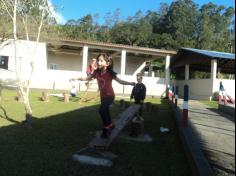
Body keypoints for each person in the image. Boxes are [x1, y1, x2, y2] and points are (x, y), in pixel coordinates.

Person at [70, 53, 135, 138]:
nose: (98, 62)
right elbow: (87, 78)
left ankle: (106, 129)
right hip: (103, 96)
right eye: (98, 60)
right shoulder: (96, 73)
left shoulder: (110, 73)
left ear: (107, 63)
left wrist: (130, 83)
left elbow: (121, 81)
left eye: (101, 61)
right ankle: (111, 125)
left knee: (101, 110)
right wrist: (76, 78)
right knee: (106, 111)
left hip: (110, 96)